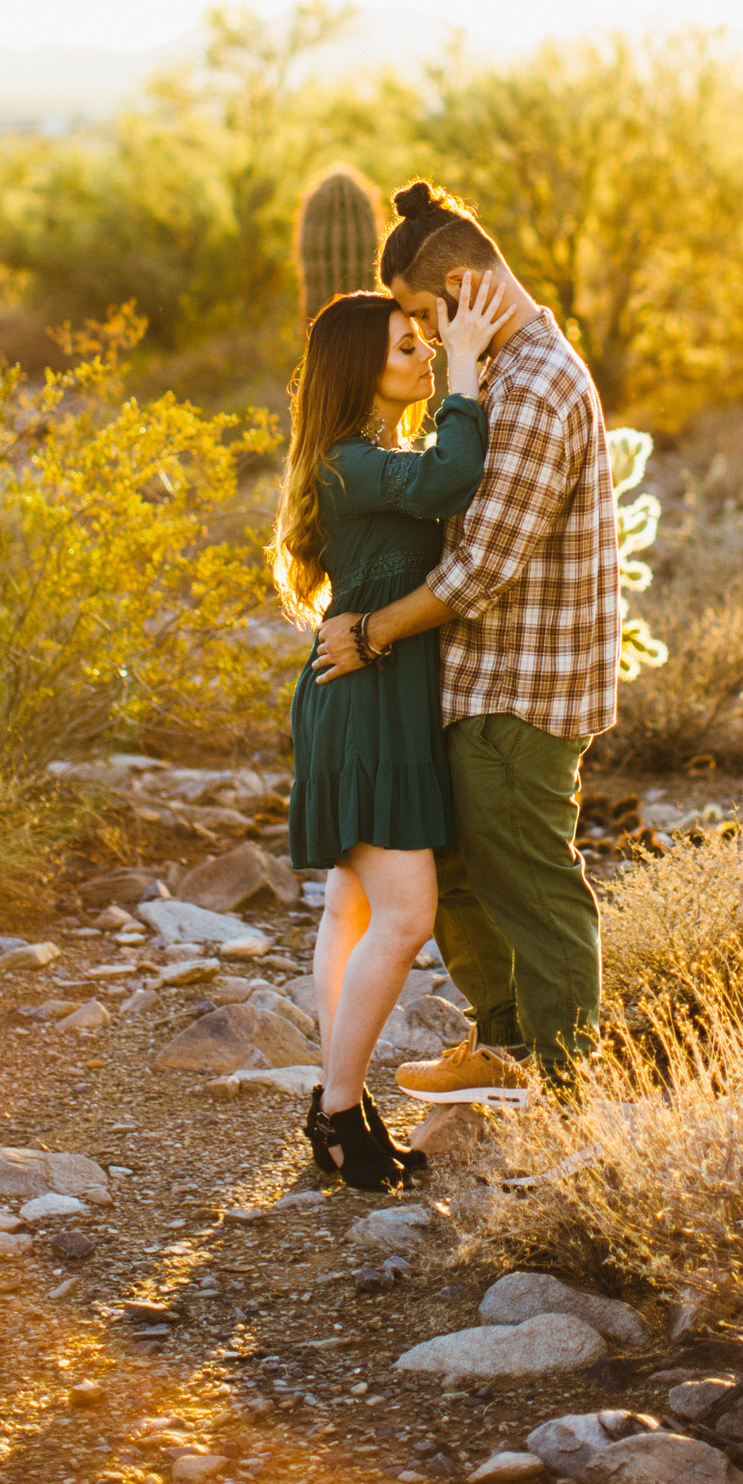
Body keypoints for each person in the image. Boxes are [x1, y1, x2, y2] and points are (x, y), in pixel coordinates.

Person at [314, 180, 621, 1105]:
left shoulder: (532, 384)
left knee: (535, 885)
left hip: (522, 693)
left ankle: (567, 1087)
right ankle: (507, 1046)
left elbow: (480, 568)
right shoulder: (502, 369)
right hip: (481, 683)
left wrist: (368, 633)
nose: (416, 334)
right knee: (457, 876)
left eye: (418, 314)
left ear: (458, 286)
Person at [273, 272, 510, 1190]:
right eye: (403, 349)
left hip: (374, 693)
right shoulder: (350, 461)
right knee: (404, 912)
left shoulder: (365, 454)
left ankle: (340, 1098)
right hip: (364, 705)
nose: (417, 356)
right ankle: (335, 1111)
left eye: (423, 345)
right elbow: (454, 475)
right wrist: (462, 371)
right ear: (356, 373)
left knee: (354, 907)